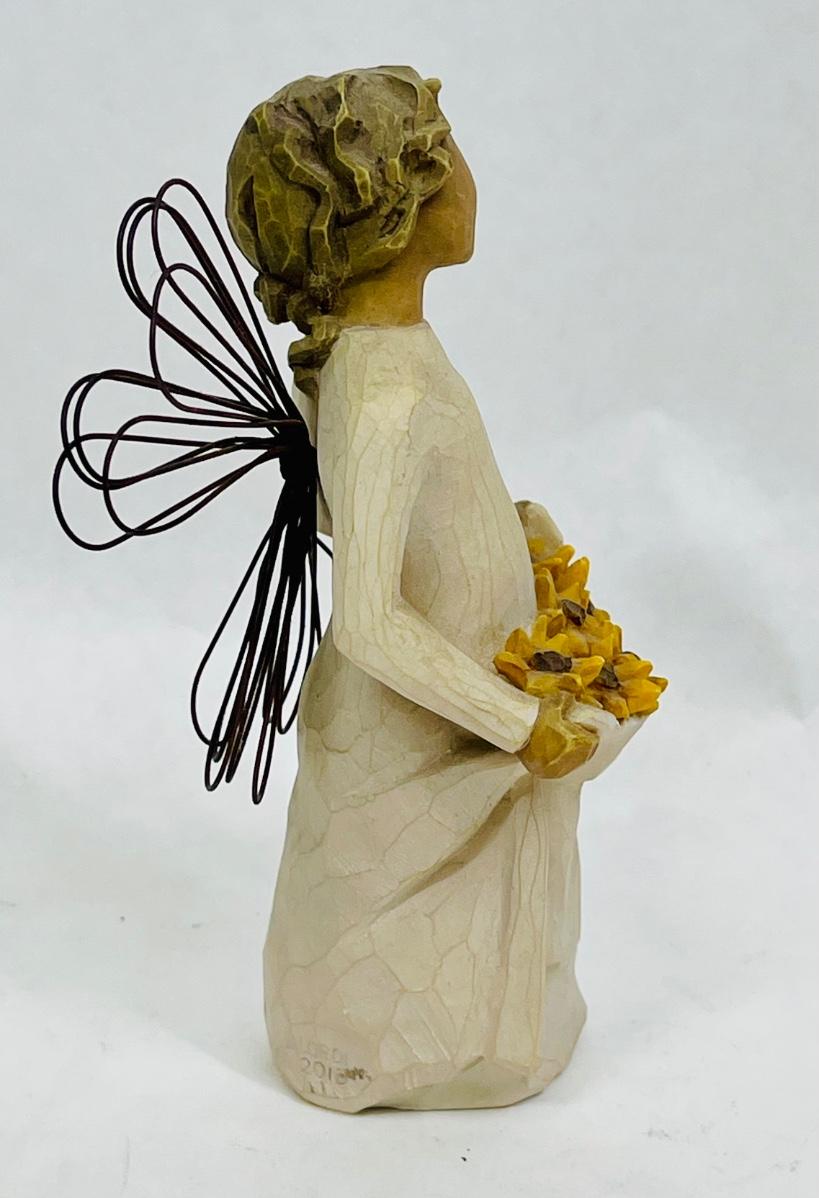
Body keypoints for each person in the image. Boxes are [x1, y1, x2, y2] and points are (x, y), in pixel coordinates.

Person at [226, 65, 638, 1111]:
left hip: (460, 712)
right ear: (390, 204)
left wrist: (510, 526)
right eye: (444, 150)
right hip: (419, 741)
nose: (467, 173)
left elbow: (372, 513)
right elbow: (367, 618)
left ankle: (451, 1040)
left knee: (471, 923)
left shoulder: (391, 357)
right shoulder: (382, 386)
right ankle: (370, 1051)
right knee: (398, 926)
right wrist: (519, 725)